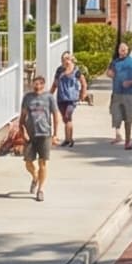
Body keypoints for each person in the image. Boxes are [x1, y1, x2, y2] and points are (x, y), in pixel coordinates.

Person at [19, 72, 58, 201]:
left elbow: (55, 116)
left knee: (43, 162)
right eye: (34, 83)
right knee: (28, 162)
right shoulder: (27, 97)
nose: (36, 86)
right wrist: (22, 130)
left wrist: (55, 134)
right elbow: (23, 116)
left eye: (39, 83)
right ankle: (35, 177)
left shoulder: (49, 97)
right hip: (31, 134)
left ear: (43, 84)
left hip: (45, 133)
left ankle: (40, 189)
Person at [108, 38, 132, 149]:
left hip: (129, 94)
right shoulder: (114, 62)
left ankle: (128, 141)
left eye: (124, 49)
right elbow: (109, 73)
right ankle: (118, 135)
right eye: (121, 49)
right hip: (117, 92)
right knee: (116, 115)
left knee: (128, 118)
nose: (122, 51)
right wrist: (111, 75)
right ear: (118, 50)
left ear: (128, 50)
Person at [52, 50, 86, 146]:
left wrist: (83, 93)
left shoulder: (76, 70)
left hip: (72, 98)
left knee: (68, 116)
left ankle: (69, 139)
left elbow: (83, 82)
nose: (65, 61)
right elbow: (55, 84)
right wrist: (49, 95)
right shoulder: (59, 70)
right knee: (65, 119)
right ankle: (68, 139)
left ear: (71, 59)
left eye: (67, 58)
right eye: (63, 59)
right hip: (61, 98)